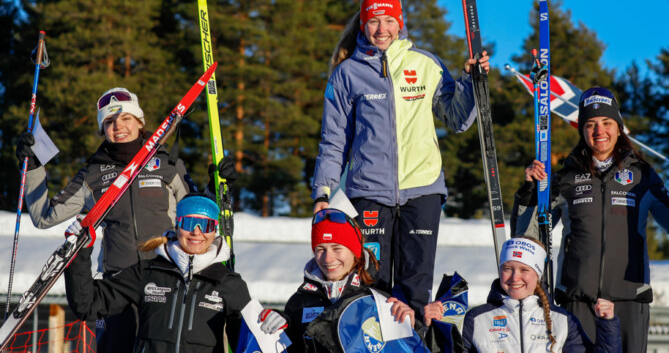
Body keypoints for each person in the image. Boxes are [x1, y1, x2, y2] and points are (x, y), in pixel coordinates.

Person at [311, 0, 489, 319]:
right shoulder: (347, 74)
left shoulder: (425, 65)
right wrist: (323, 191)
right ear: (363, 24)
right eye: (374, 21)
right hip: (368, 194)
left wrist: (471, 83)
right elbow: (333, 140)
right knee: (370, 284)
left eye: (389, 20)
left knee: (415, 289)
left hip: (422, 191)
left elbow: (458, 120)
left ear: (400, 22)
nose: (382, 29)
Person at [15, 87, 237, 351]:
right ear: (102, 129)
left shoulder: (166, 164)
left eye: (125, 118)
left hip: (166, 282)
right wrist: (34, 166)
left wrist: (218, 186)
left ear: (140, 122)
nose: (118, 126)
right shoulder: (93, 173)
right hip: (118, 287)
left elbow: (196, 212)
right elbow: (44, 217)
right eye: (108, 122)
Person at [513, 87, 669, 352]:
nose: (600, 131)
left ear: (619, 128)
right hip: (577, 301)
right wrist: (530, 190)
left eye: (607, 123)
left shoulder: (643, 175)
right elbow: (528, 238)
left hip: (629, 302)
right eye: (591, 124)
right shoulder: (566, 177)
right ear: (582, 130)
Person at [64, 193, 251, 352]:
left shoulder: (229, 284)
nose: (197, 232)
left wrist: (278, 320)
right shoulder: (147, 272)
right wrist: (79, 253)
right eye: (189, 222)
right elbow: (87, 304)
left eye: (206, 225)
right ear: (178, 225)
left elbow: (249, 343)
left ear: (215, 231)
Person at [280, 208, 426, 352]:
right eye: (320, 250)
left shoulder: (378, 300)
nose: (328, 259)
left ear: (354, 251)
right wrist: (277, 330)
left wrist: (410, 329)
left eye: (337, 248)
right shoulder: (298, 302)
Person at [461, 238, 620, 353]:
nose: (515, 277)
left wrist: (607, 325)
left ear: (538, 275)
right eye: (508, 268)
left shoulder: (562, 320)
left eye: (524, 270)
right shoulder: (476, 319)